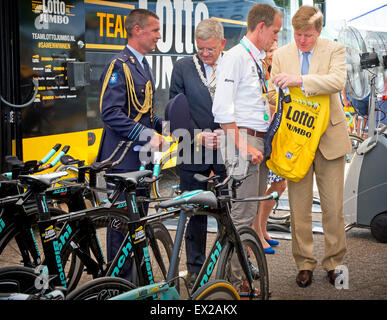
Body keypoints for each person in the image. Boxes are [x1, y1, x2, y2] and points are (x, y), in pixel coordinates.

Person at [269, 5, 351, 288]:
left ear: (319, 31)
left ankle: (335, 263)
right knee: (298, 207)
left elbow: (337, 81)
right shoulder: (281, 55)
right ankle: (304, 264)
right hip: (296, 141)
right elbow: (271, 92)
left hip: (329, 140)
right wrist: (279, 93)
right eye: (298, 34)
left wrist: (299, 81)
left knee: (333, 208)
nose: (302, 40)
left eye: (308, 35)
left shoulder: (335, 50)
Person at [212, 4, 282, 292]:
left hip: (257, 141)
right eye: (275, 32)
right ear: (261, 27)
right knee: (240, 216)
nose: (276, 38)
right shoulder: (236, 58)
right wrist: (242, 147)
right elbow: (222, 110)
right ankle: (233, 283)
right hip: (244, 141)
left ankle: (238, 274)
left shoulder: (255, 58)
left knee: (248, 215)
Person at [96, 9, 164, 280]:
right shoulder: (119, 65)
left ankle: (134, 282)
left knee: (139, 222)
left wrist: (163, 125)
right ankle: (117, 284)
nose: (159, 36)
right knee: (122, 225)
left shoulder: (143, 64)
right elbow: (110, 113)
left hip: (141, 160)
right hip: (122, 160)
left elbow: (143, 112)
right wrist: (147, 134)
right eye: (155, 30)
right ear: (138, 30)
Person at [169, 18, 227, 287]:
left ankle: (232, 262)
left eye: (210, 50)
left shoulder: (232, 65)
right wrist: (197, 136)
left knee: (231, 210)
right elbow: (176, 108)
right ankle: (195, 269)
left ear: (222, 44)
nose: (204, 54)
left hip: (226, 149)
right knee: (195, 214)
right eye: (200, 48)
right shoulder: (183, 67)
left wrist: (226, 135)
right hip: (192, 151)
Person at [252, 41, 287, 254]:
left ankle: (262, 228)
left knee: (279, 185)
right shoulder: (259, 71)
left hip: (278, 134)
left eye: (274, 50)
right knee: (263, 187)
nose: (272, 54)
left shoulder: (279, 70)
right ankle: (256, 231)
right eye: (269, 50)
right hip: (263, 134)